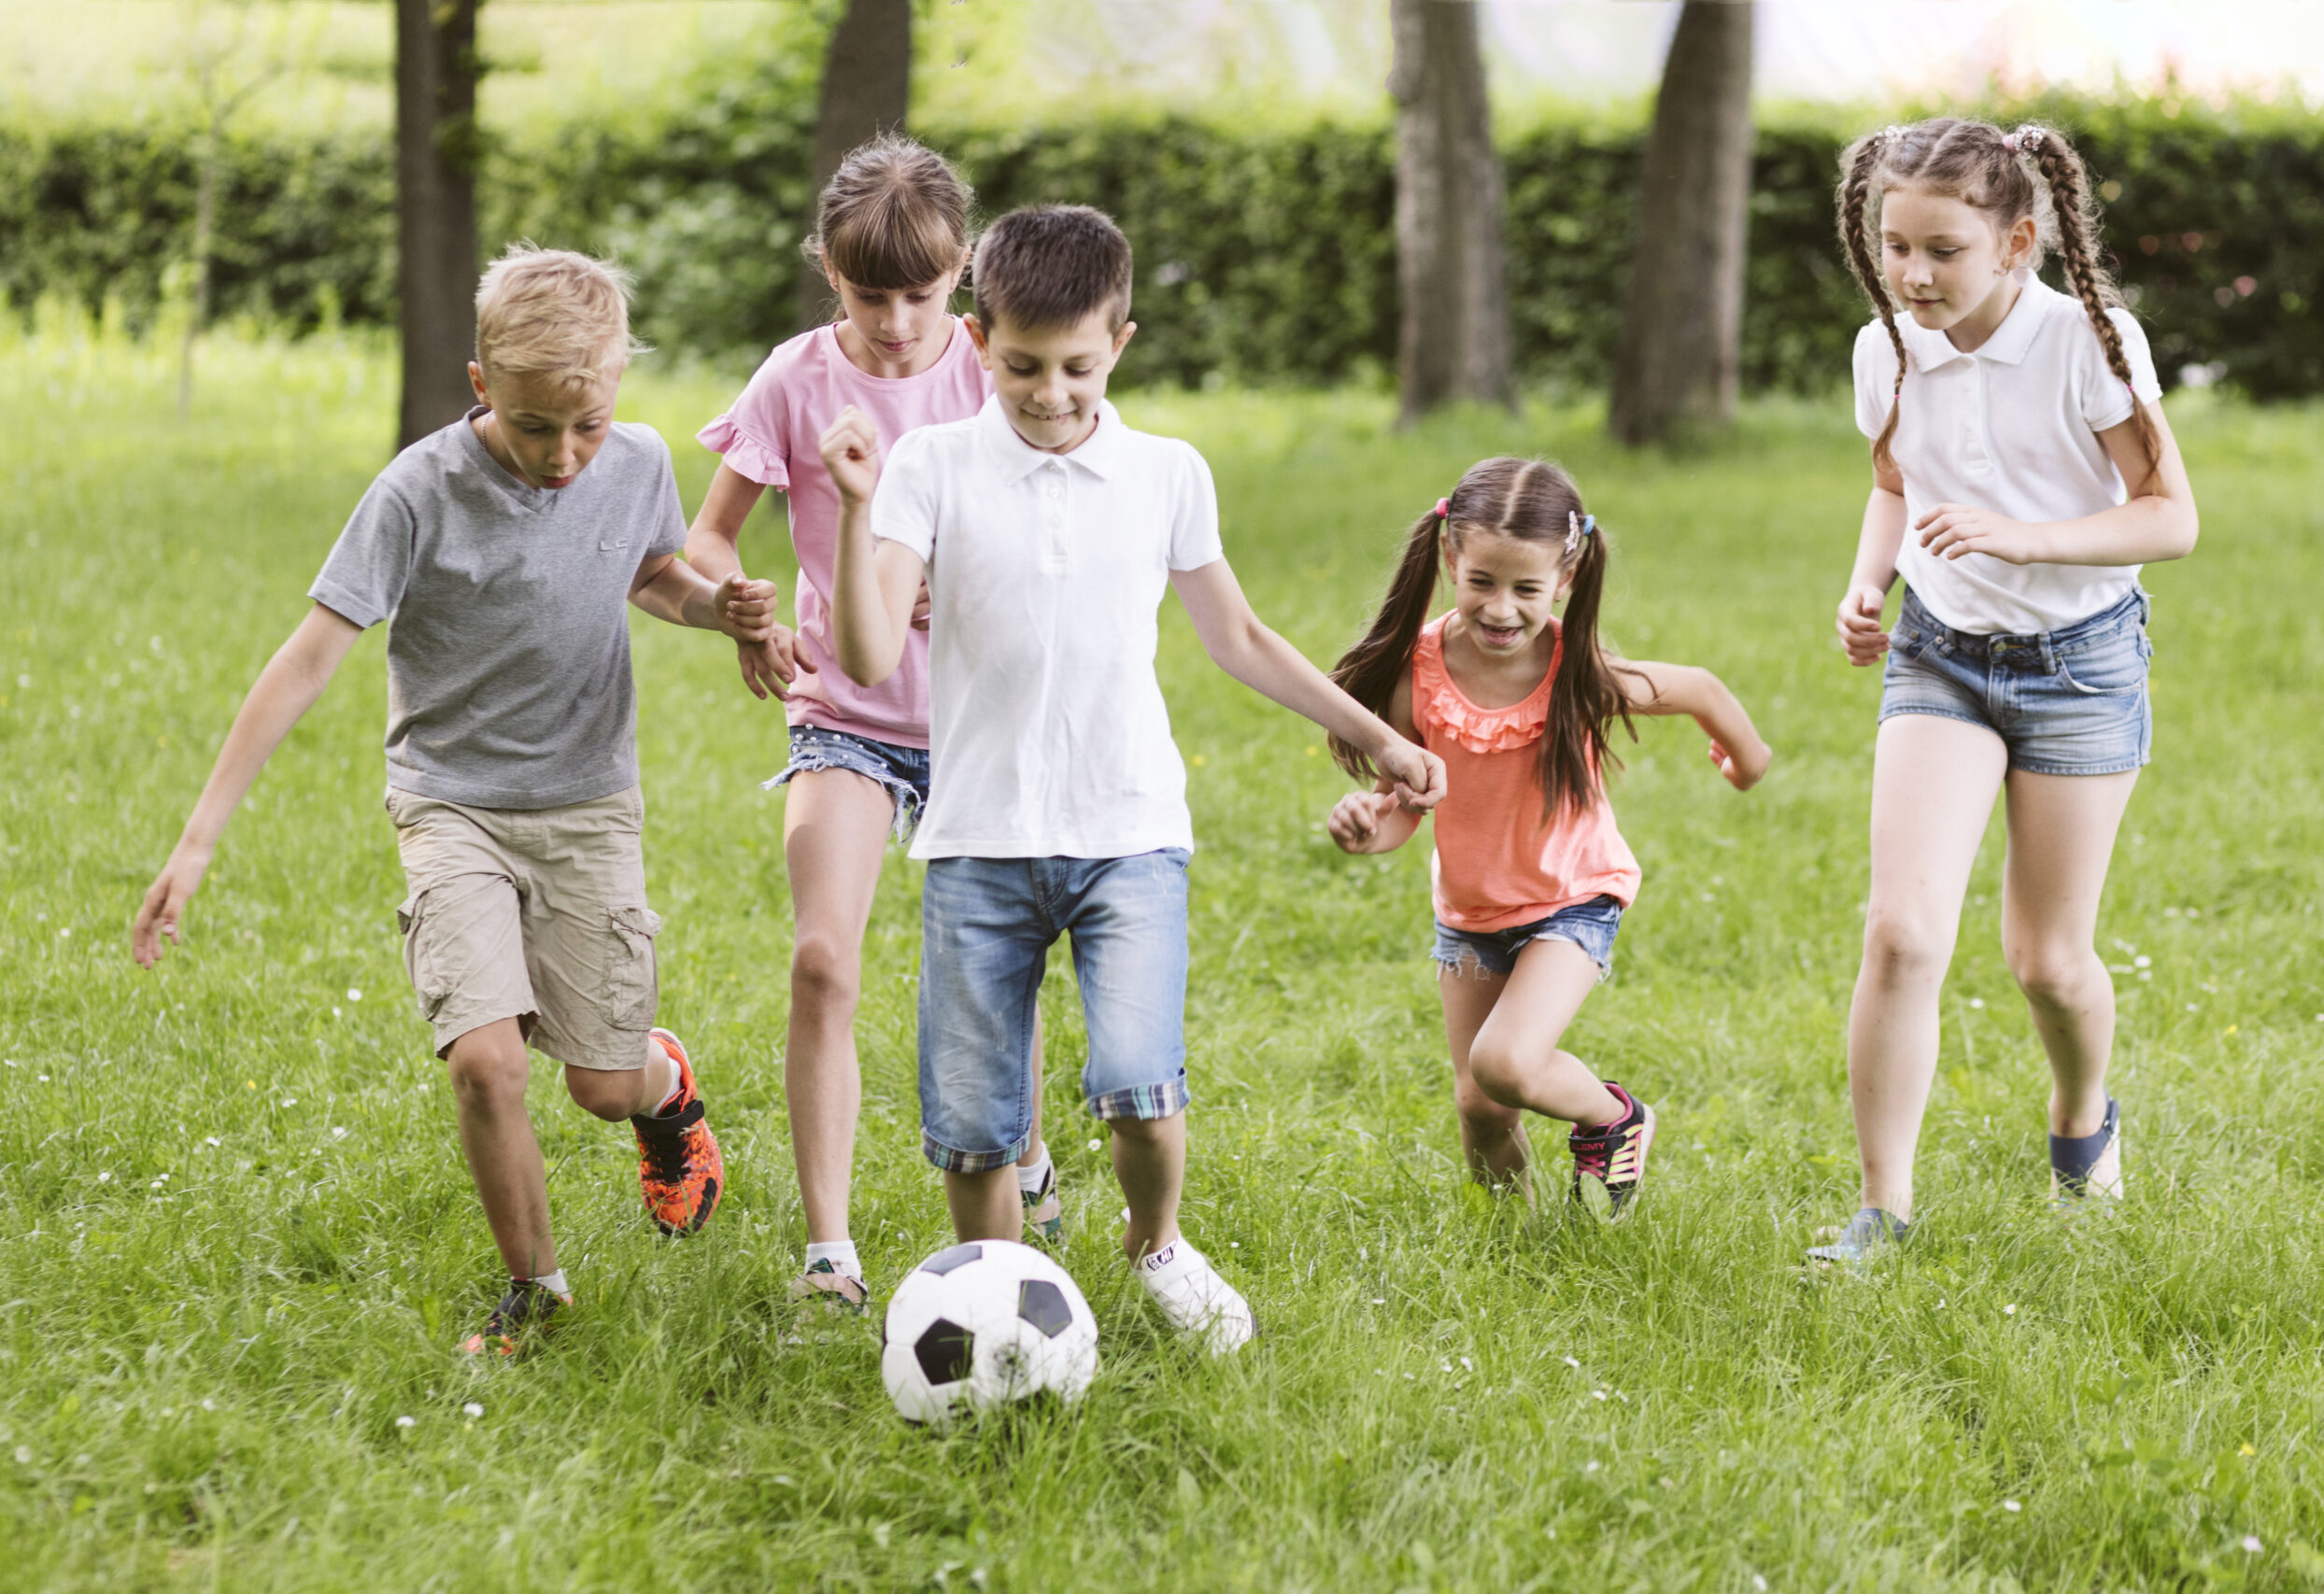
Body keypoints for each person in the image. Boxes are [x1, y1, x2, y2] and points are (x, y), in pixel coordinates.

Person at [819, 204, 1447, 1353]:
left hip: (1129, 832)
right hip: (977, 839)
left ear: (1122, 342)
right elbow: (865, 655)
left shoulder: (1165, 472)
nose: (1050, 392)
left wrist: (1380, 735)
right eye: (1020, 366)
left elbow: (1239, 637)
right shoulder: (930, 464)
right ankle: (1002, 1301)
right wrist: (859, 510)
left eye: (1076, 365)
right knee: (972, 1129)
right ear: (976, 339)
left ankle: (1154, 1246)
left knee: (1138, 1088)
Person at [129, 247, 772, 1352]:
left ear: (617, 388)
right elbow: (307, 659)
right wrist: (196, 844)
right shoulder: (415, 493)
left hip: (586, 805)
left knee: (601, 1087)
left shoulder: (635, 464)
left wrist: (729, 611)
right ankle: (536, 1291)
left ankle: (665, 1098)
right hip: (452, 807)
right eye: (533, 428)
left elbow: (654, 576)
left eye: (589, 424)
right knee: (486, 1061)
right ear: (481, 384)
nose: (565, 456)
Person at [683, 134, 1058, 1316]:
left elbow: (1066, 518)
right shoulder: (792, 380)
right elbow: (708, 539)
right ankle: (830, 1253)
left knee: (994, 977)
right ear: (828, 273)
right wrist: (736, 607)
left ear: (963, 276)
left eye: (924, 293)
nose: (898, 321)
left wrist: (982, 578)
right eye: (867, 294)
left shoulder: (1001, 374)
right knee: (822, 961)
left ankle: (1028, 1149)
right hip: (843, 714)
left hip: (979, 718)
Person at [1812, 119, 2199, 1265]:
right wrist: (1866, 581)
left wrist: (2021, 536)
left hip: (2078, 663)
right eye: (1894, 247)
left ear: (2017, 243)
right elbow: (1894, 477)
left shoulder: (2087, 342)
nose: (1913, 274)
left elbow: (2170, 518)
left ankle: (2082, 1119)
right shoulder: (1883, 347)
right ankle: (1881, 1210)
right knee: (1900, 932)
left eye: (1942, 250)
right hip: (1940, 653)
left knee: (2047, 962)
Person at [1322, 458, 1770, 1209]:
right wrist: (1368, 826)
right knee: (1481, 1105)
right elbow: (1404, 805)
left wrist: (1745, 764)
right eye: (1483, 582)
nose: (1501, 608)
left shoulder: (1575, 671)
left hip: (1572, 899)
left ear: (1563, 578)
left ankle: (1616, 1117)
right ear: (1449, 560)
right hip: (1469, 914)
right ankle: (1512, 1240)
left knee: (1506, 1061)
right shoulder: (1417, 675)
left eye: (1526, 588)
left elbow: (1699, 686)